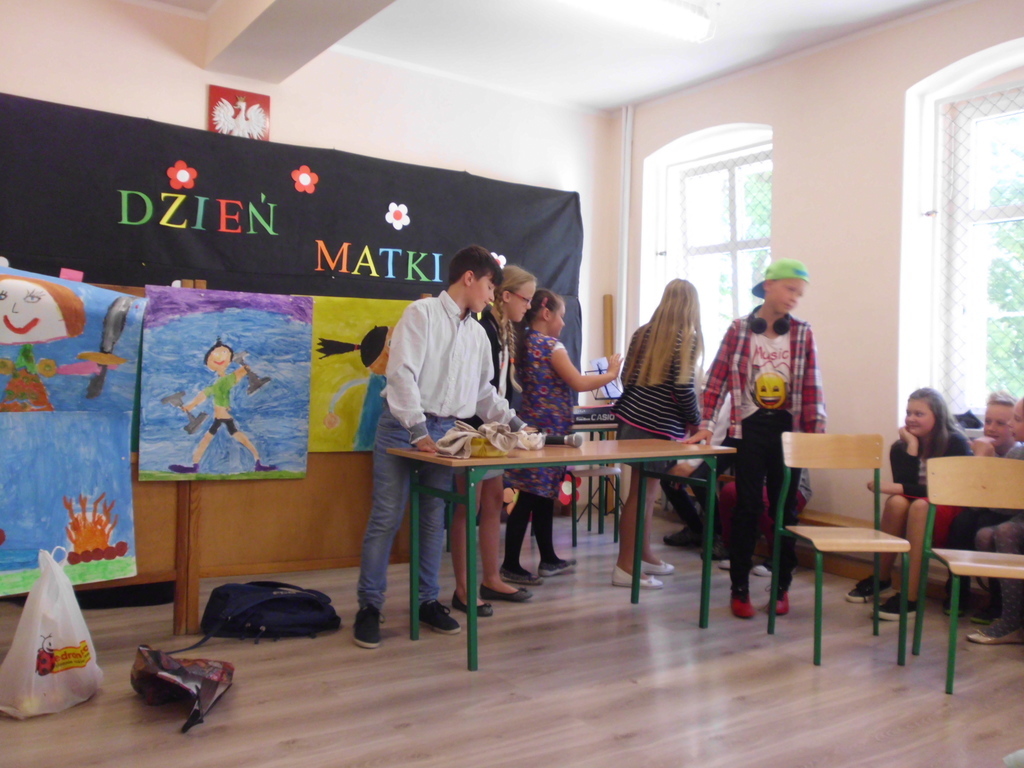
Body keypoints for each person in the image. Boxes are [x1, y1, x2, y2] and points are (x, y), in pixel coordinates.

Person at [353, 245, 525, 649]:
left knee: (433, 520)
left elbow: (483, 392)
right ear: (469, 278)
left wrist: (517, 425)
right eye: (489, 286)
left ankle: (426, 602)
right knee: (386, 517)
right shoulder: (422, 314)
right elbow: (401, 374)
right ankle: (369, 607)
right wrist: (417, 430)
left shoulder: (477, 333)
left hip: (447, 432)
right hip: (402, 426)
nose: (491, 296)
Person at [690, 258, 826, 619]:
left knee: (785, 509)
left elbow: (812, 387)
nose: (794, 298)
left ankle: (781, 587)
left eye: (799, 293)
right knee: (747, 507)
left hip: (788, 431)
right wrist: (706, 423)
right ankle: (740, 588)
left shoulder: (802, 333)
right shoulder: (739, 330)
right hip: (747, 429)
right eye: (790, 289)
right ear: (768, 285)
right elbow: (716, 379)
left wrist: (815, 434)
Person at [502, 288, 621, 585]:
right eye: (561, 316)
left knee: (541, 495)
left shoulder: (525, 342)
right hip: (551, 433)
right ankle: (510, 565)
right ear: (546, 314)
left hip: (534, 429)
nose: (564, 323)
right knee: (532, 497)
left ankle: (549, 558)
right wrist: (611, 374)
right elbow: (578, 382)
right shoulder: (551, 346)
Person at [449, 265, 537, 617]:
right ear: (505, 295)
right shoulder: (482, 328)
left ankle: (490, 578)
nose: (529, 306)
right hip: (470, 430)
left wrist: (513, 425)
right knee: (466, 507)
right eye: (526, 299)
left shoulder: (502, 331)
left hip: (494, 430)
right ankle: (463, 589)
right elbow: (479, 390)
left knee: (493, 502)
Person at [610, 278, 703, 589]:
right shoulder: (686, 339)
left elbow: (626, 377)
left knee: (644, 494)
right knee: (641, 495)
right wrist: (695, 421)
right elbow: (683, 388)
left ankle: (644, 555)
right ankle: (625, 566)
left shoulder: (642, 332)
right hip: (657, 426)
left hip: (630, 419)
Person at [849, 387, 972, 620]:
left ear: (937, 416)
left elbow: (948, 491)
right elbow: (906, 487)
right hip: (919, 507)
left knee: (918, 505)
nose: (911, 419)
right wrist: (912, 447)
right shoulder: (901, 447)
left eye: (919, 414)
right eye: (908, 413)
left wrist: (897, 488)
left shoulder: (955, 442)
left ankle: (910, 597)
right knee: (897, 503)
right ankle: (881, 579)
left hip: (949, 508)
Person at [943, 390, 1019, 622]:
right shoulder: (978, 450)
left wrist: (985, 461)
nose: (991, 428)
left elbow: (1003, 505)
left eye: (1000, 423)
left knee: (987, 524)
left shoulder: (1017, 455)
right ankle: (957, 593)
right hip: (983, 510)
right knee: (962, 522)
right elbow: (970, 499)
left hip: (1010, 513)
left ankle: (998, 603)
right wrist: (979, 460)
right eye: (987, 421)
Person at [169, 339, 277, 473]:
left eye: (224, 354)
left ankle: (195, 466)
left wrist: (244, 366)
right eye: (215, 355)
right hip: (220, 417)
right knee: (214, 439)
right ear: (208, 363)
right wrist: (189, 407)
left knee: (213, 440)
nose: (219, 358)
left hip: (223, 416)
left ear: (229, 359)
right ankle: (257, 463)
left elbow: (238, 374)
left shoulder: (225, 381)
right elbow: (204, 394)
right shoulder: (219, 382)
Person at [966, 396, 1024, 644]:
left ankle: (1011, 622)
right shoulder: (1018, 452)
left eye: (1016, 419)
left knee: (1005, 531)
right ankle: (1004, 611)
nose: (1010, 424)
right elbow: (999, 504)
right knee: (984, 534)